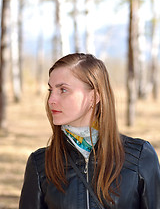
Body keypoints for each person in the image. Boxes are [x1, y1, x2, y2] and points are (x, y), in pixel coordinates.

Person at [19, 53, 160, 209]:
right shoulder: (41, 164)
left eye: (63, 90)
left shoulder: (140, 157)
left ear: (94, 97)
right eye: (51, 90)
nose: (51, 99)